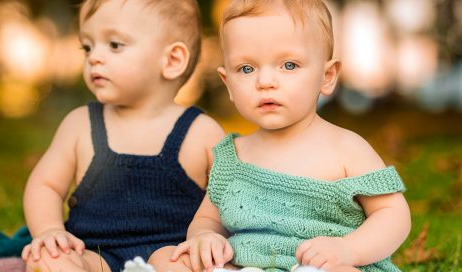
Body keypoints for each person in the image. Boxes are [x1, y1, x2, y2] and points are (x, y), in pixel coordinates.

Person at [148, 0, 411, 271]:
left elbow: (392, 215)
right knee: (167, 258)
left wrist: (349, 249)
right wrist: (206, 237)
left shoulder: (346, 148)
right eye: (247, 69)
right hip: (245, 265)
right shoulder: (232, 157)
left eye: (289, 65)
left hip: (321, 266)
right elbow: (207, 219)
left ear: (327, 76)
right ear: (228, 83)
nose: (265, 82)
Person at [20, 0, 225, 271]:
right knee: (46, 259)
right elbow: (44, 185)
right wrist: (48, 231)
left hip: (171, 253)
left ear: (172, 60)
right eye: (88, 46)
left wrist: (206, 236)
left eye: (114, 45)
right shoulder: (80, 124)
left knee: (181, 264)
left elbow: (231, 196)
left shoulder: (201, 132)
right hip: (95, 254)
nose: (94, 57)